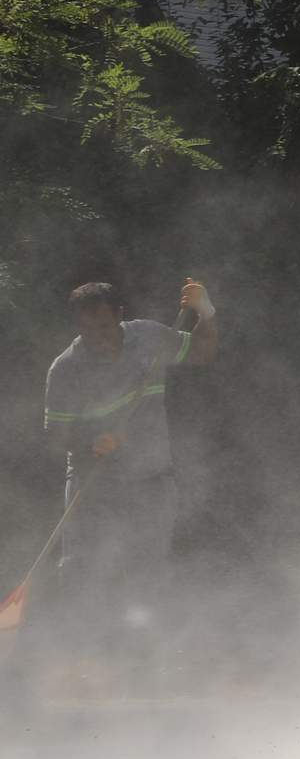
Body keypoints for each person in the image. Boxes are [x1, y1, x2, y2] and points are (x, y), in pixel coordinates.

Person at [24, 279, 219, 687]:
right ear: (77, 326)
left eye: (104, 326)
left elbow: (202, 352)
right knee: (81, 573)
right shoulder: (66, 369)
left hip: (152, 481)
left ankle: (145, 666)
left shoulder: (150, 337)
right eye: (87, 329)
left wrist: (206, 312)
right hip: (94, 487)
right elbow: (56, 438)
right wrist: (92, 440)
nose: (97, 337)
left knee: (147, 572)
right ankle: (81, 664)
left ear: (119, 316)